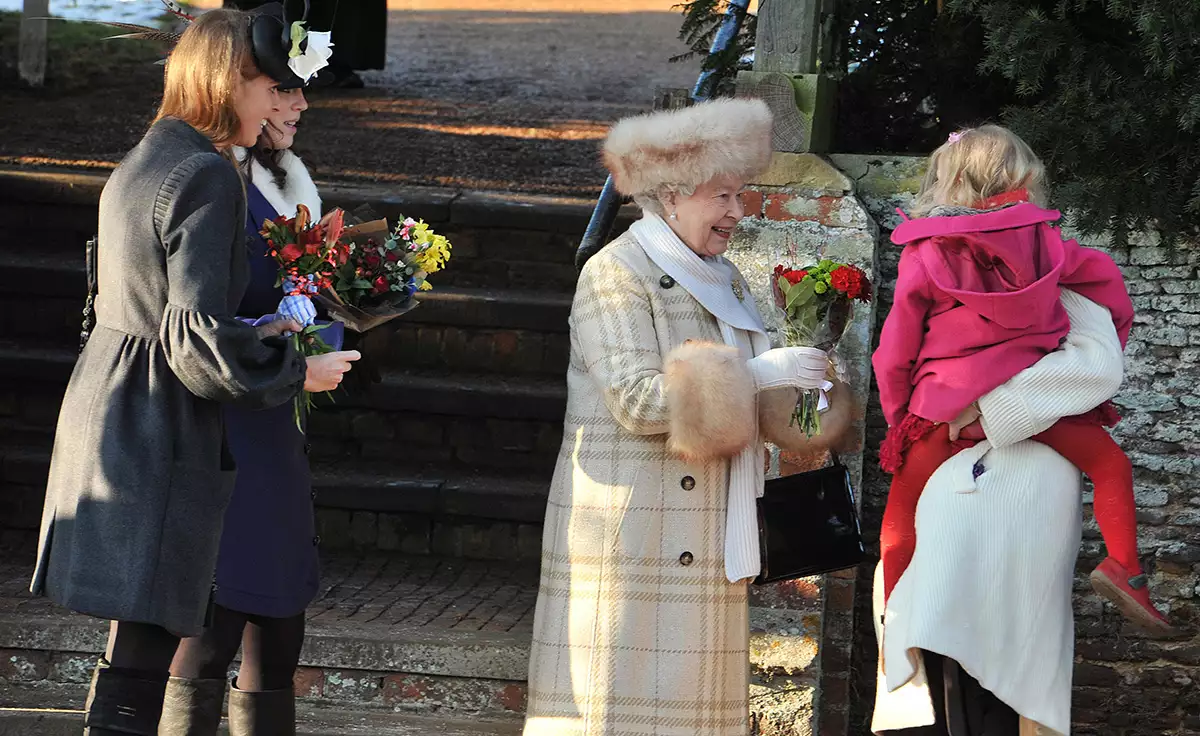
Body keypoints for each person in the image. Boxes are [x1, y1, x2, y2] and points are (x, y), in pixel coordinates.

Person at [28, 10, 359, 735]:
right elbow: (193, 339)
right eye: (270, 88)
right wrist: (294, 372)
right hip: (162, 428)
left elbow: (155, 311)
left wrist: (265, 330)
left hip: (115, 414)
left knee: (137, 650)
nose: (281, 103)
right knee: (145, 657)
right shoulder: (207, 175)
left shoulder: (148, 155)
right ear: (227, 81)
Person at [522, 98, 857, 736]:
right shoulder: (615, 274)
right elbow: (636, 400)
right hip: (636, 541)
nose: (738, 212)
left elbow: (746, 409)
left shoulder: (723, 277)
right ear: (671, 195)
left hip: (707, 540)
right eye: (723, 196)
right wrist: (757, 373)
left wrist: (805, 388)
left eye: (740, 194)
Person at [871, 125, 1173, 635]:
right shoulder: (1047, 246)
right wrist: (1114, 333)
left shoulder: (924, 253)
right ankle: (1124, 567)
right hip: (1024, 402)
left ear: (951, 181)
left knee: (900, 518)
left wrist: (903, 420)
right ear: (1022, 176)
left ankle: (898, 618)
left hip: (941, 407)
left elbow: (894, 351)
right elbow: (1110, 290)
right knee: (1110, 464)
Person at [158, 46, 342, 736]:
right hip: (223, 428)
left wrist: (339, 306)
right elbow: (197, 319)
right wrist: (292, 352)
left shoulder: (282, 184)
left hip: (274, 430)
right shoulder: (207, 183)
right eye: (283, 90)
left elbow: (291, 296)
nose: (296, 105)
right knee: (211, 623)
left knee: (279, 618)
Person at [872, 289, 1129, 735]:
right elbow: (1110, 463)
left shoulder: (937, 415)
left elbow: (898, 526)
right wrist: (1126, 564)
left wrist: (894, 604)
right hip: (992, 554)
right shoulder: (1060, 403)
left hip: (955, 565)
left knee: (955, 688)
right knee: (990, 692)